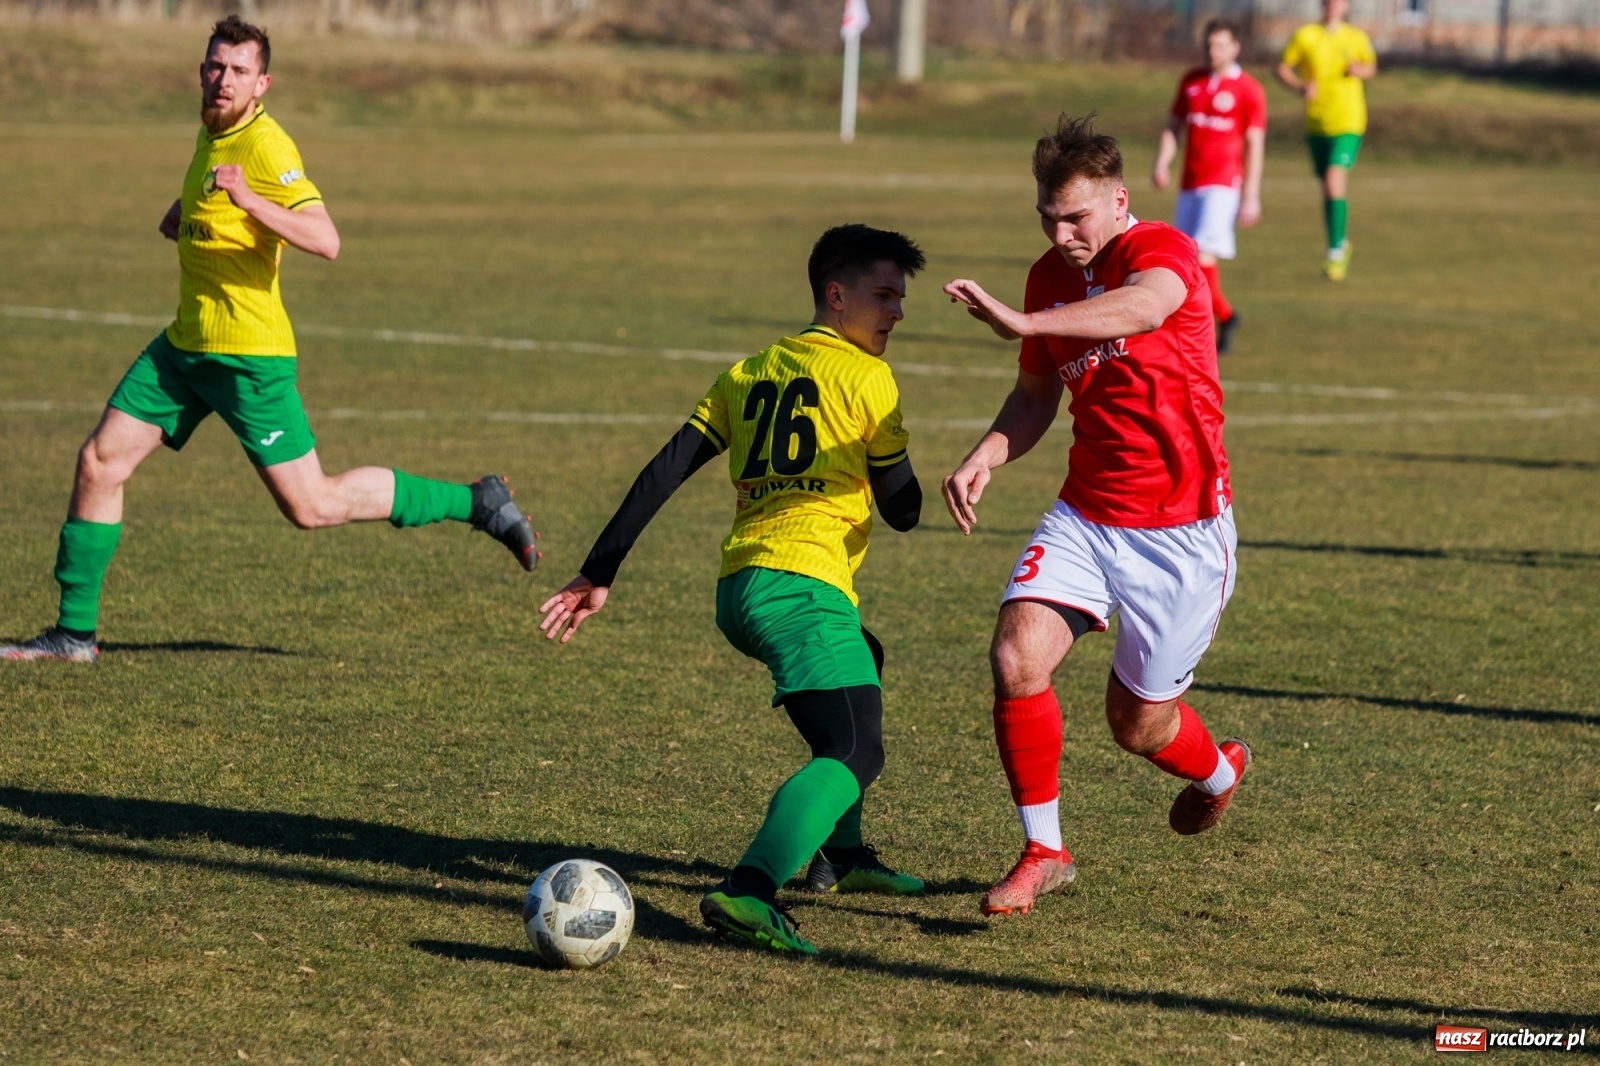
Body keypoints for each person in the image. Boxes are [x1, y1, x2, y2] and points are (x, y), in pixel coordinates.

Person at [2, 16, 538, 664]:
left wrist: (251, 200)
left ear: (263, 83)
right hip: (184, 349)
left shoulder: (265, 145)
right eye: (214, 65)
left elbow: (326, 239)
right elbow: (217, 200)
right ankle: (73, 634)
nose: (222, 79)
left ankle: (476, 501)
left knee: (313, 506)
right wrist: (188, 216)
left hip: (248, 358)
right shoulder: (211, 128)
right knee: (99, 462)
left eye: (237, 70)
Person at [538, 225, 927, 956]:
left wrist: (600, 570)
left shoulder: (748, 372)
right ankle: (750, 891)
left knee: (863, 661)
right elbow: (904, 512)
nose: (897, 313)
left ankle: (842, 855)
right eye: (883, 296)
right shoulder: (870, 380)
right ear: (835, 296)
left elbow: (666, 467)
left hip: (743, 586)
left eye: (900, 299)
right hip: (802, 590)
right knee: (852, 752)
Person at [941, 115, 1250, 917]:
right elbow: (1037, 396)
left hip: (1181, 532)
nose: (1062, 233)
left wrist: (1027, 322)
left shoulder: (1162, 252)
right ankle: (1044, 849)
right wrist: (985, 454)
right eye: (1048, 217)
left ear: (1118, 201)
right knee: (1016, 657)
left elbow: (1145, 309)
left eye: (1076, 216)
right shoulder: (1047, 277)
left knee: (1136, 727)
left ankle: (1218, 771)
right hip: (1086, 513)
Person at [1152, 17, 1266, 354]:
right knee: (1184, 258)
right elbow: (1173, 127)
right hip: (1190, 184)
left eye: (1219, 45)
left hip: (1224, 184)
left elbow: (1254, 144)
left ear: (1235, 48)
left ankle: (1191, 327)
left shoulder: (1248, 89)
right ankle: (1226, 316)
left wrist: (1251, 196)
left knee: (1202, 256)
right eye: (1208, 44)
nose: (1212, 51)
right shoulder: (1191, 81)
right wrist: (1162, 162)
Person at [1275, 0, 1377, 281]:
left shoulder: (1355, 37)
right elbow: (1282, 68)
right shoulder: (1306, 35)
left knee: (1334, 181)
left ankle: (1335, 251)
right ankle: (1340, 241)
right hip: (1317, 123)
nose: (1333, 4)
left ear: (1345, 6)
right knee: (1328, 188)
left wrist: (1360, 70)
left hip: (1349, 121)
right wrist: (1299, 86)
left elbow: (1371, 67)